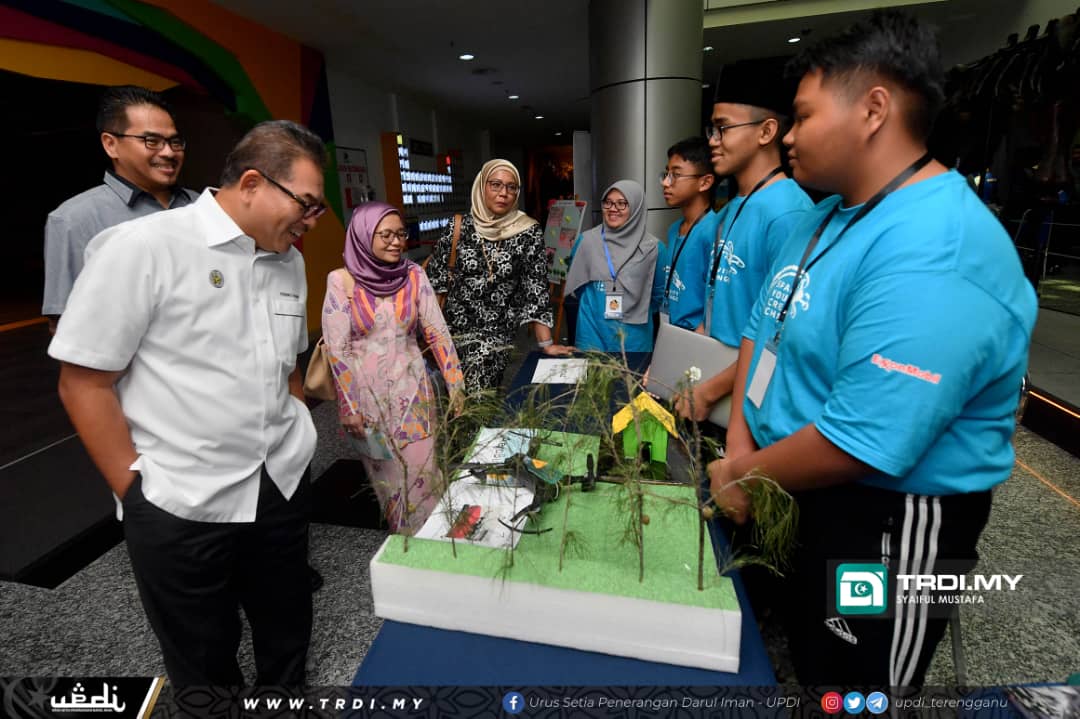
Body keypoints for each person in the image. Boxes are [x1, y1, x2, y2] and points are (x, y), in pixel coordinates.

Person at [708, 12, 1037, 686]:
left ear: (874, 109)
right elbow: (760, 331)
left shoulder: (937, 245)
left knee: (859, 687)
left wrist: (745, 472)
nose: (790, 135)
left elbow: (861, 440)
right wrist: (740, 447)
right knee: (803, 662)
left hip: (885, 522)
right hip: (789, 479)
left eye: (801, 116)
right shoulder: (828, 214)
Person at [48, 120, 330, 687]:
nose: (311, 221)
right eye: (306, 204)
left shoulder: (290, 260)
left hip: (277, 479)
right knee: (202, 648)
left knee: (287, 619)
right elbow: (83, 382)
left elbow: (289, 364)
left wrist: (296, 429)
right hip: (181, 497)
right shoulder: (143, 247)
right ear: (251, 183)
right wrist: (137, 494)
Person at [674, 59, 812, 423]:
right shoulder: (732, 207)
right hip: (714, 389)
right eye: (712, 129)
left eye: (723, 129)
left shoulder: (789, 213)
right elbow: (714, 306)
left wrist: (709, 390)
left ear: (766, 131)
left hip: (751, 403)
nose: (713, 142)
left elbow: (781, 338)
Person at [322, 202, 465, 534]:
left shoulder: (414, 275)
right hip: (368, 404)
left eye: (400, 234)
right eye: (384, 234)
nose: (396, 242)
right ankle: (408, 545)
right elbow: (337, 350)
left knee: (425, 474)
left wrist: (456, 384)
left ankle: (435, 542)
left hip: (413, 392)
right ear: (362, 235)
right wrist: (349, 407)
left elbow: (437, 332)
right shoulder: (341, 281)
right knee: (389, 483)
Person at [42, 85, 195, 334]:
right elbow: (64, 326)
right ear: (111, 144)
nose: (168, 152)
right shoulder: (74, 219)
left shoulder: (202, 206)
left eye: (174, 141)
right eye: (152, 141)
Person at [425, 159, 571, 395]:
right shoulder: (458, 226)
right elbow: (436, 284)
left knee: (480, 398)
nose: (504, 193)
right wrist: (430, 339)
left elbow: (536, 290)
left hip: (495, 338)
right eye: (495, 185)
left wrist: (547, 344)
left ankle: (476, 430)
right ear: (481, 186)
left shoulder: (528, 231)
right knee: (452, 402)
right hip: (451, 336)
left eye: (511, 187)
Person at [564, 180, 663, 352]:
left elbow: (658, 294)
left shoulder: (654, 247)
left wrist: (635, 304)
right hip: (591, 331)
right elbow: (578, 285)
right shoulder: (586, 241)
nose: (612, 208)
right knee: (591, 377)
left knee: (632, 378)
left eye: (622, 203)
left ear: (636, 207)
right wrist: (599, 298)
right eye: (608, 202)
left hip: (634, 335)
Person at [657, 137, 718, 331]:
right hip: (671, 330)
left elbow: (717, 299)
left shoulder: (715, 230)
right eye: (666, 174)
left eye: (675, 175)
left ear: (705, 182)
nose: (666, 183)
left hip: (698, 337)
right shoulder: (674, 229)